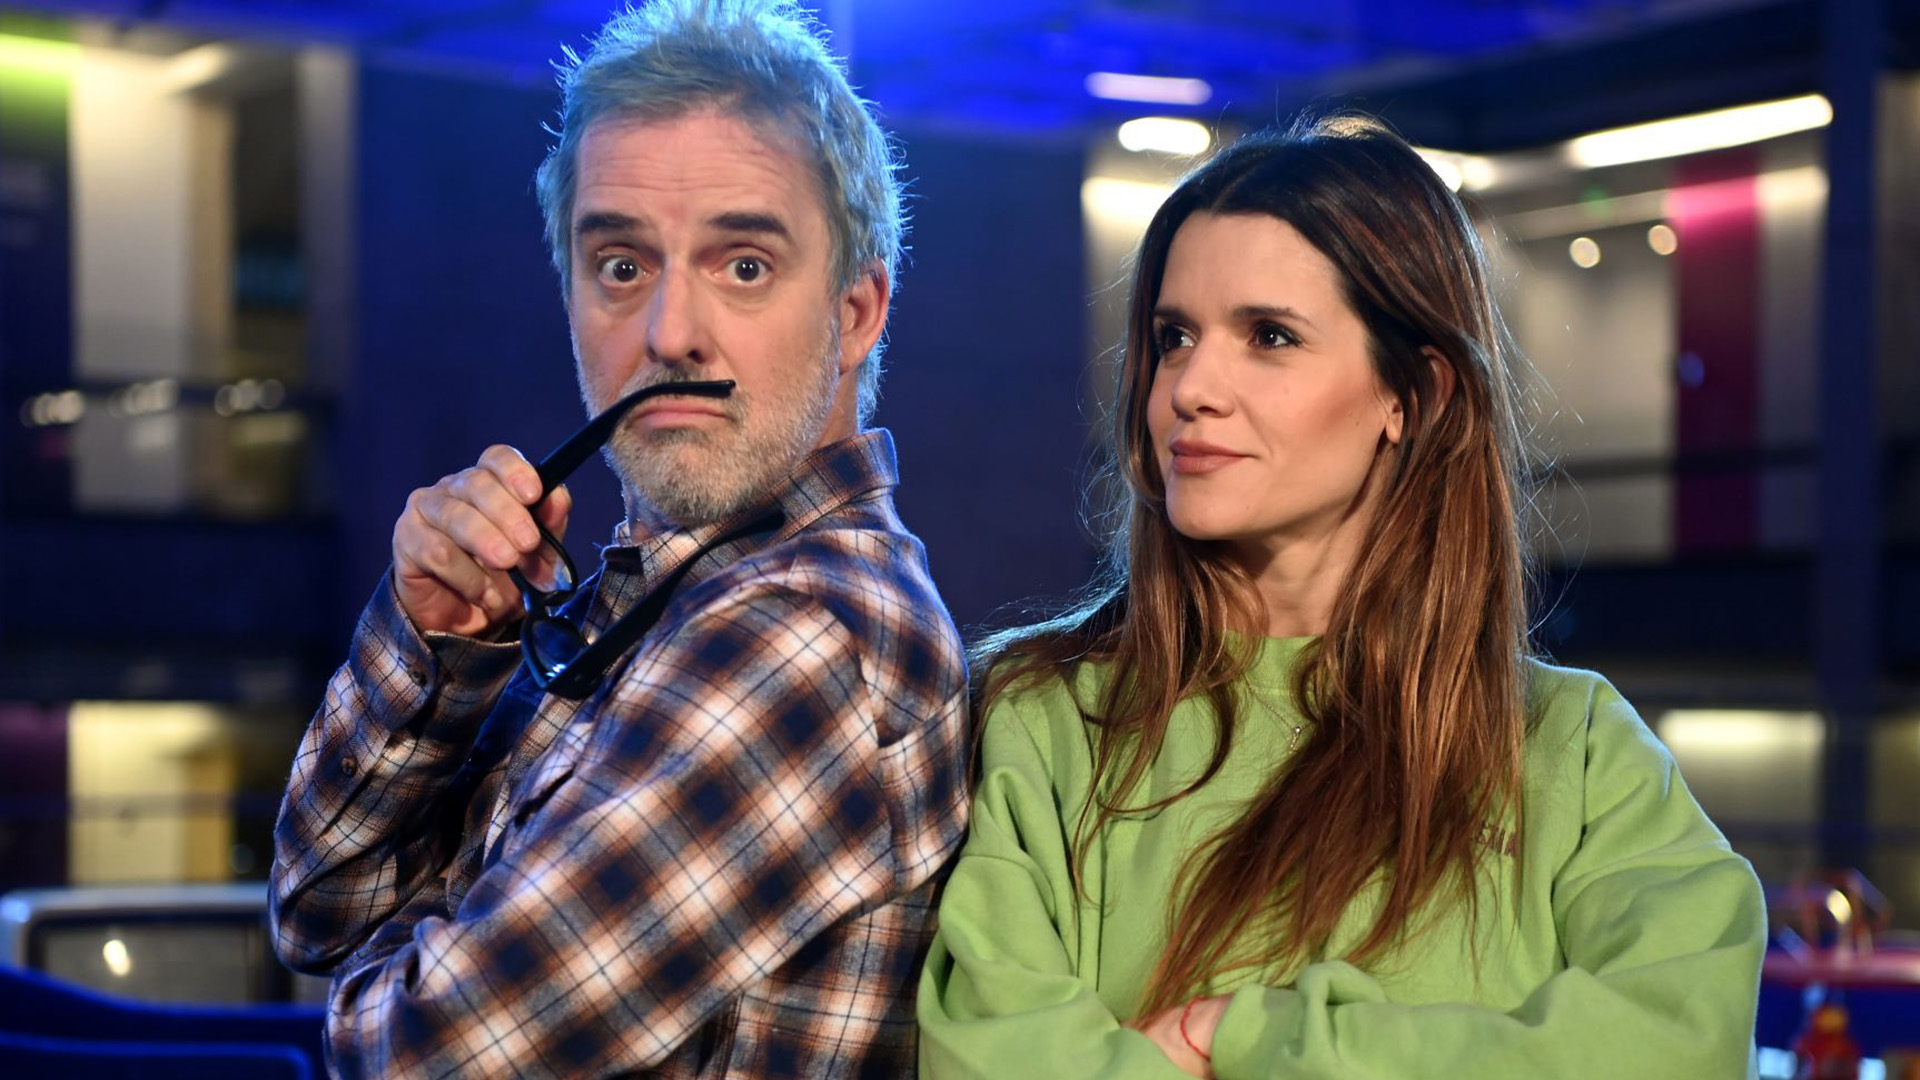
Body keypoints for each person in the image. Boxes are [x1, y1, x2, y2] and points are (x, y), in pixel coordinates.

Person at [918, 113, 1765, 1079]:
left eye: (1269, 336)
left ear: (1415, 396)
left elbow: (1683, 1049)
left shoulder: (1574, 753)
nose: (1190, 387)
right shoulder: (1044, 719)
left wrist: (1246, 1039)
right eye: (1173, 337)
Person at [269, 2, 970, 1077]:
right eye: (622, 266)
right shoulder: (655, 599)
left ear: (857, 312)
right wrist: (439, 646)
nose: (669, 333)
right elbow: (317, 909)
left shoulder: (806, 632)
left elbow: (412, 1057)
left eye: (743, 265)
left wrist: (432, 931)